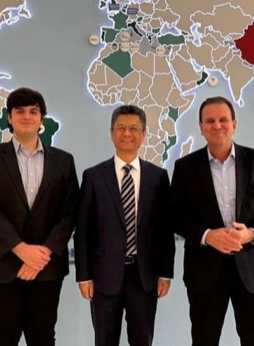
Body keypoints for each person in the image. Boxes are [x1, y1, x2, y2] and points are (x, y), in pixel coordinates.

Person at [171, 96, 254, 346]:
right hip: (205, 273)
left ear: (234, 124)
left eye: (223, 120)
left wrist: (250, 234)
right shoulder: (185, 168)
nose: (217, 125)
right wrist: (207, 236)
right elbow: (175, 217)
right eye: (210, 121)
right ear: (201, 127)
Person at [0, 87, 79, 346]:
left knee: (43, 339)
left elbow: (70, 211)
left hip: (46, 268)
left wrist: (43, 253)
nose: (27, 116)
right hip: (1, 267)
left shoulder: (63, 161)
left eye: (33, 111)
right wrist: (20, 250)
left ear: (42, 119)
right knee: (2, 339)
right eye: (19, 111)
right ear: (9, 118)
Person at [75, 105, 175, 346]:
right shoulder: (93, 176)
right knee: (104, 341)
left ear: (144, 134)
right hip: (104, 276)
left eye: (133, 128)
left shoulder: (158, 177)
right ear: (111, 133)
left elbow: (165, 230)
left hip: (144, 276)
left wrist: (165, 272)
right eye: (120, 128)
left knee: (142, 340)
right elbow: (83, 230)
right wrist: (84, 276)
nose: (127, 133)